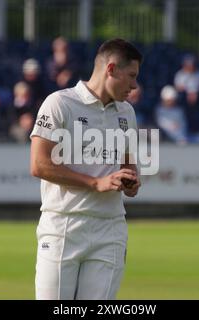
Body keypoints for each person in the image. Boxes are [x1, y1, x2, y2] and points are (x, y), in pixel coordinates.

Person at [30, 38, 142, 300]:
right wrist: (95, 183)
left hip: (110, 228)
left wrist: (130, 182)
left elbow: (128, 167)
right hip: (63, 224)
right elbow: (39, 164)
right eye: (132, 76)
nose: (135, 85)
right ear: (111, 69)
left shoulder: (127, 113)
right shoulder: (59, 103)